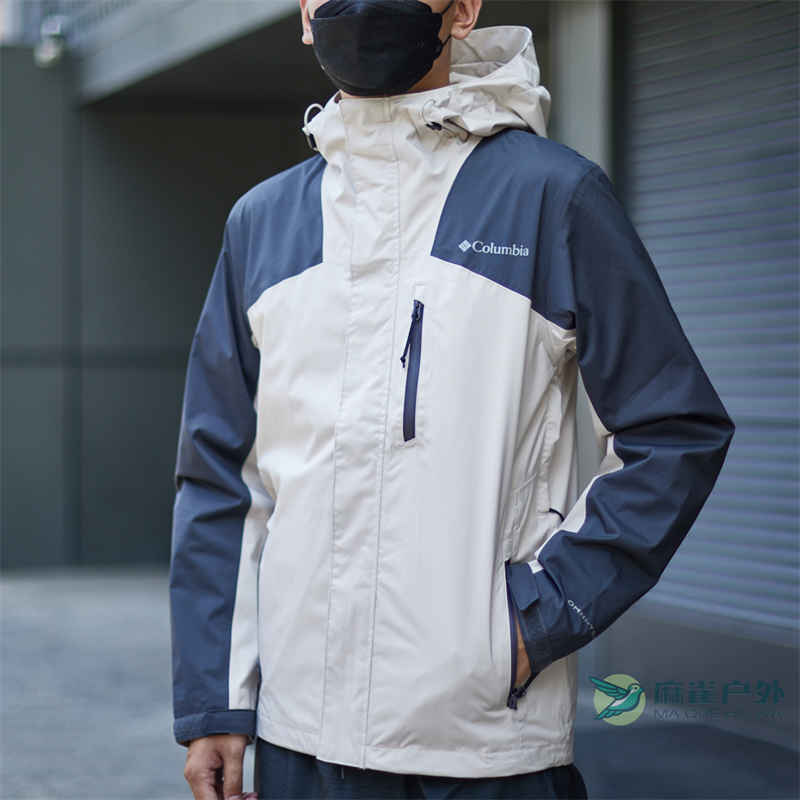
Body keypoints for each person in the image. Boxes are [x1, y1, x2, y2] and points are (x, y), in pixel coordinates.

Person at [170, 1, 734, 798]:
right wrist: (217, 698)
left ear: (463, 10)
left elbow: (674, 430)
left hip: (484, 747)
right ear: (303, 14)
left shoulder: (553, 196)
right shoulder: (260, 224)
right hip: (299, 741)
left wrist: (531, 622)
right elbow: (221, 477)